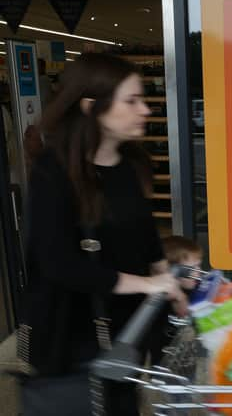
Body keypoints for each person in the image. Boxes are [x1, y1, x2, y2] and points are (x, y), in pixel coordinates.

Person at [19, 53, 187, 415]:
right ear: (91, 107)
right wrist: (144, 284)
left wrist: (166, 280)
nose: (145, 110)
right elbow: (57, 262)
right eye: (132, 101)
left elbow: (145, 237)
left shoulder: (129, 166)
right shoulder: (54, 173)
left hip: (125, 333)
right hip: (73, 336)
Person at [147, 235, 204, 365]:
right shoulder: (160, 299)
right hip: (164, 362)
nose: (198, 272)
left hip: (187, 357)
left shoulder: (193, 288)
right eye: (192, 269)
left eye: (199, 266)